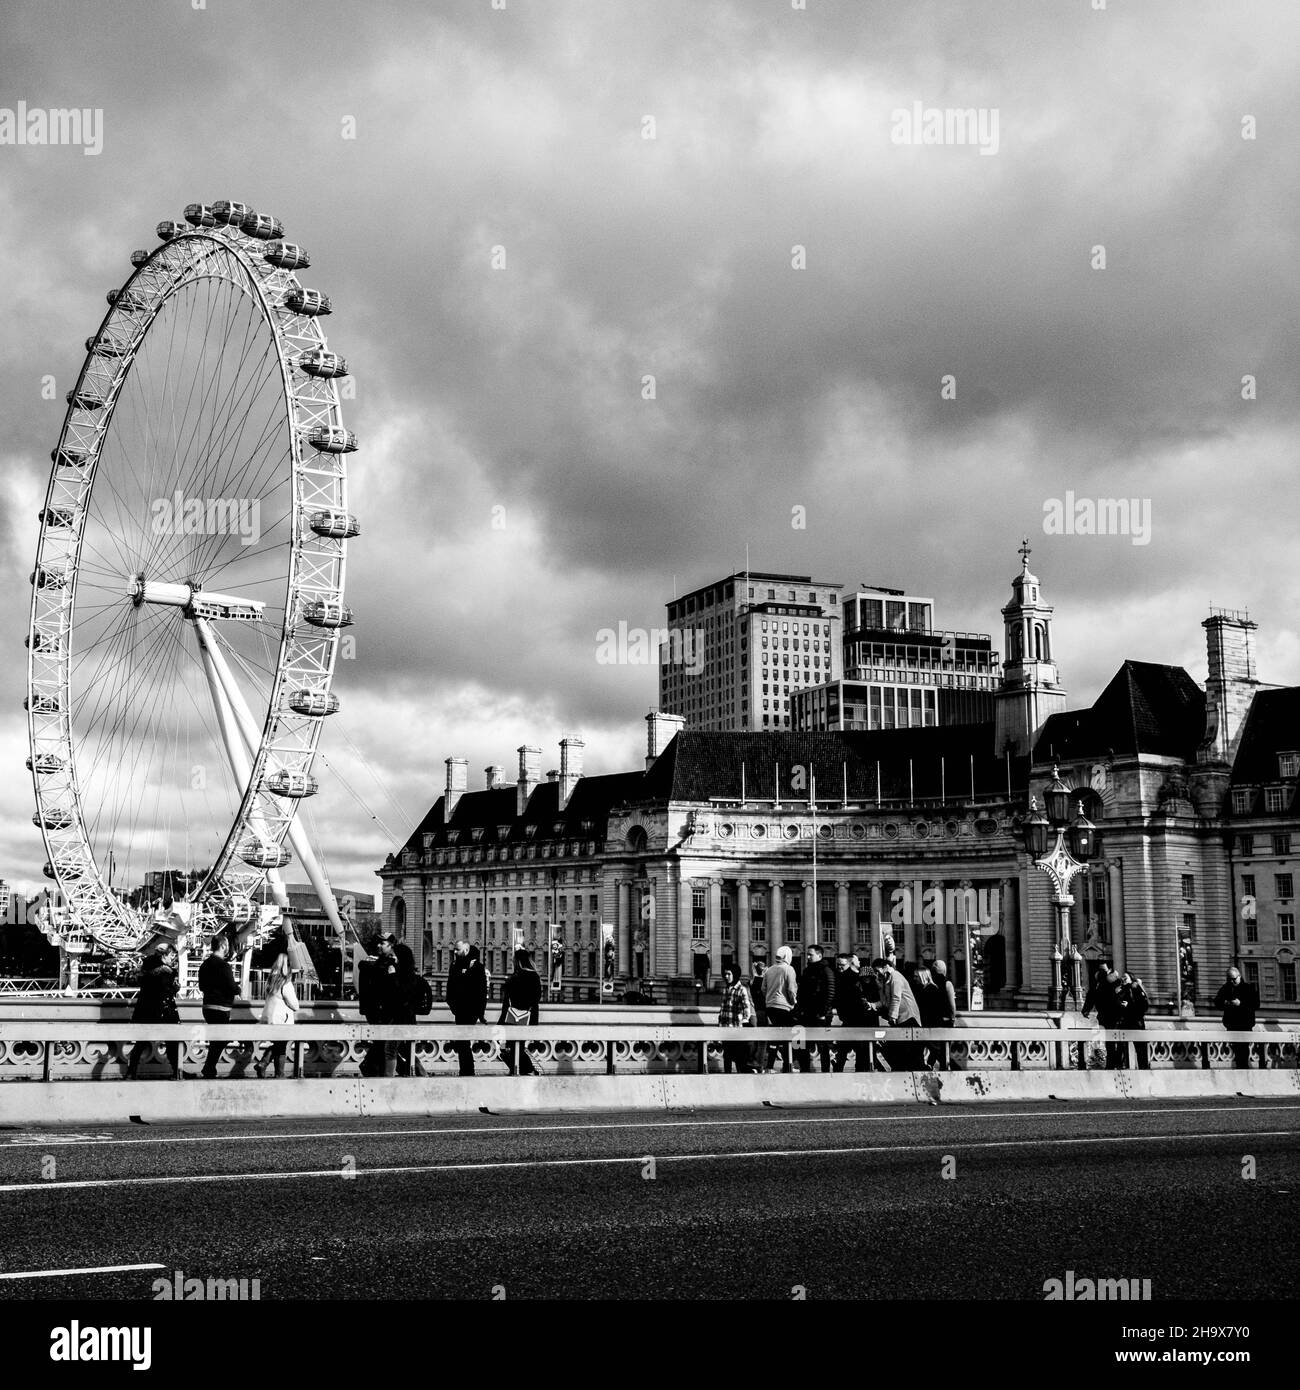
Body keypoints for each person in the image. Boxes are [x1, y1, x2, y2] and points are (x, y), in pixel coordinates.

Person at [126, 946, 184, 1079]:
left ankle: (131, 1072)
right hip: (163, 1012)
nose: (172, 959)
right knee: (172, 1042)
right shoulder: (166, 971)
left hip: (145, 1011)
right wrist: (175, 988)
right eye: (171, 956)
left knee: (140, 1043)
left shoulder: (145, 969)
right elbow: (165, 990)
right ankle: (177, 1071)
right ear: (164, 955)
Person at [198, 934, 241, 1079]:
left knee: (216, 1039)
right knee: (221, 1039)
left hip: (207, 1007)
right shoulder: (224, 966)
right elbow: (232, 987)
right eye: (227, 945)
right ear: (223, 946)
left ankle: (209, 1068)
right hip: (221, 1008)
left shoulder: (204, 965)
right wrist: (238, 989)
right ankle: (209, 1067)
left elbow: (202, 986)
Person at [359, 932, 401, 1077]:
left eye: (382, 943)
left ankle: (374, 1070)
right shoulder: (381, 961)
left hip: (388, 1013)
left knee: (386, 1046)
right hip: (378, 1011)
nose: (379, 945)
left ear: (391, 945)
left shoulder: (393, 962)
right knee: (384, 1046)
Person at [253, 953, 299, 1078]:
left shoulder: (270, 981)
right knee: (281, 1045)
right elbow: (295, 1005)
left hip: (269, 1018)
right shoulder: (285, 983)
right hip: (282, 1020)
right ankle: (275, 1072)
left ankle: (270, 1068)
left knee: (279, 1045)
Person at [873, 957, 922, 1072]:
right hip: (901, 1019)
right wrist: (874, 1003)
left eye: (877, 970)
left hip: (909, 1018)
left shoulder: (896, 977)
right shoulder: (886, 980)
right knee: (894, 1049)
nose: (876, 973)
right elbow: (885, 1002)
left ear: (885, 967)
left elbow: (896, 997)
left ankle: (905, 1071)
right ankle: (901, 1070)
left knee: (903, 1051)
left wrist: (892, 1016)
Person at [447, 940, 488, 1076]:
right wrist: (453, 1006)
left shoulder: (476, 967)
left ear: (466, 950)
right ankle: (466, 1071)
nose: (455, 952)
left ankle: (467, 1071)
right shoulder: (455, 966)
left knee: (463, 1042)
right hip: (460, 1010)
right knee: (462, 1042)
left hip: (470, 1010)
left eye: (457, 950)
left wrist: (480, 1013)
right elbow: (450, 988)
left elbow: (481, 992)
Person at [499, 948, 543, 1075]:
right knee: (519, 1046)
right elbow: (536, 999)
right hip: (528, 1017)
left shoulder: (514, 978)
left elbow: (507, 1003)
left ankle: (524, 1070)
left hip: (513, 1017)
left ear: (517, 961)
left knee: (511, 1047)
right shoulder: (535, 976)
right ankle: (526, 1070)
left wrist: (500, 1023)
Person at [795, 943, 836, 1073]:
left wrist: (823, 1012)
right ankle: (805, 1069)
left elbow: (830, 992)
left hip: (820, 1014)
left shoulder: (826, 970)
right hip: (807, 1013)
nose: (807, 957)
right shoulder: (807, 970)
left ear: (819, 955)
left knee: (822, 1045)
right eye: (807, 954)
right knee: (802, 1044)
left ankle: (824, 1071)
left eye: (810, 954)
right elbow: (801, 992)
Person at [1214, 966, 1259, 1069]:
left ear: (1239, 976)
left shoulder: (1248, 988)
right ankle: (1241, 1069)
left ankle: (1243, 1069)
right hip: (1232, 1024)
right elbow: (1217, 1002)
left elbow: (1256, 1004)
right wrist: (1226, 1003)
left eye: (1234, 979)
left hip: (1245, 1024)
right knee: (1237, 1050)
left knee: (1243, 1050)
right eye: (1229, 979)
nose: (1232, 981)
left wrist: (1240, 1004)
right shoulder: (1226, 987)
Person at [762, 945, 798, 1074]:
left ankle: (769, 1067)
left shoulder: (769, 970)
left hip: (770, 1007)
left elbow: (763, 989)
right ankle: (788, 1064)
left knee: (774, 1038)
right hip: (784, 1007)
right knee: (792, 1036)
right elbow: (791, 989)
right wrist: (793, 1002)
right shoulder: (789, 969)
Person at [1082, 963, 1124, 1068]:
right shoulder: (1099, 983)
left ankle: (1116, 1063)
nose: (1103, 972)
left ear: (1109, 970)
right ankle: (1112, 1063)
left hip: (1116, 1015)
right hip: (1105, 1015)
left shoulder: (1115, 983)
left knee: (1116, 1041)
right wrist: (1086, 1009)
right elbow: (1092, 995)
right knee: (1110, 1041)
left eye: (1104, 970)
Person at [833, 954, 867, 1073]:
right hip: (853, 1019)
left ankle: (839, 1072)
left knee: (844, 1049)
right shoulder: (854, 977)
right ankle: (859, 1073)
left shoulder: (850, 978)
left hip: (853, 1019)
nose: (839, 967)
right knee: (857, 1050)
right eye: (837, 964)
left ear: (849, 963)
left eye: (842, 965)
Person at [390, 941, 420, 1077]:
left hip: (403, 1018)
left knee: (391, 1050)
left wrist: (393, 976)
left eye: (394, 955)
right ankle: (418, 1076)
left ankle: (387, 1079)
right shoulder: (405, 972)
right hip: (402, 1018)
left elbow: (401, 994)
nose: (392, 958)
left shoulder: (407, 975)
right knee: (406, 1051)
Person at [718, 965, 755, 1073]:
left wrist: (742, 1022)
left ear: (735, 975)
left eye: (729, 974)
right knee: (727, 1056)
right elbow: (722, 1009)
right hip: (725, 1028)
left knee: (738, 1056)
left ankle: (740, 1076)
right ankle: (728, 1076)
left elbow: (747, 1009)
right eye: (725, 974)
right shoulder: (726, 989)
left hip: (736, 1029)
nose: (726, 976)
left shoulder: (741, 989)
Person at [1117, 971, 1150, 1069]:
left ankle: (1143, 1068)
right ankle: (1122, 1067)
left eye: (1125, 977)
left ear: (1131, 979)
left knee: (1140, 1048)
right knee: (1122, 1047)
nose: (1123, 979)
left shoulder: (1135, 988)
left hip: (1136, 1023)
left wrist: (1129, 1006)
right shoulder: (1121, 990)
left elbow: (1143, 1006)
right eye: (1122, 977)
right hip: (1124, 1022)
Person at [749, 961, 768, 1071]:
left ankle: (753, 1062)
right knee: (762, 1041)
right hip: (762, 1012)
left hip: (753, 1012)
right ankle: (758, 1064)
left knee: (754, 1040)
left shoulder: (752, 981)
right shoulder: (765, 981)